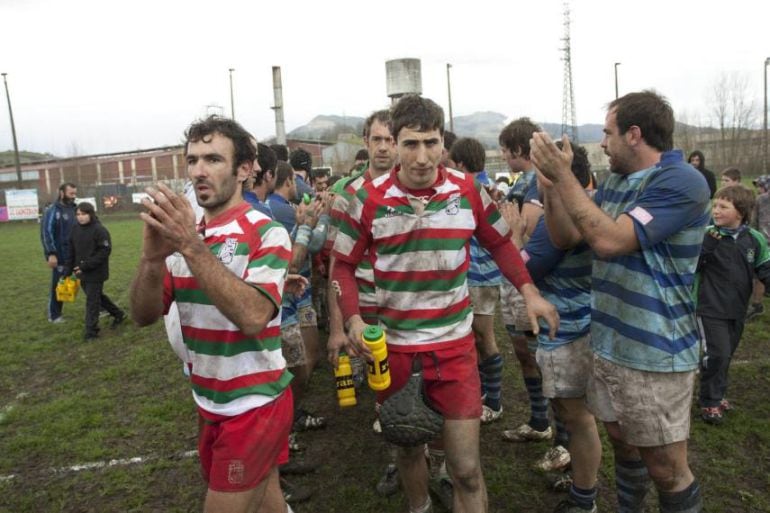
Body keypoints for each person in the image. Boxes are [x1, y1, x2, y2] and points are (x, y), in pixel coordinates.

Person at [331, 95, 558, 513]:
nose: (422, 156)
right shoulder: (367, 198)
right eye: (411, 144)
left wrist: (529, 291)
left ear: (443, 142)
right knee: (407, 452)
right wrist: (352, 320)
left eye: (431, 143)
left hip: (454, 350)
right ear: (394, 144)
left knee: (467, 470)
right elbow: (342, 266)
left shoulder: (467, 189)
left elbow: (501, 244)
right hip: (394, 351)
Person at [532, 90, 709, 513]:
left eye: (608, 133)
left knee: (666, 469)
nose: (602, 143)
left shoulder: (681, 181)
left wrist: (567, 175)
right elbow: (566, 236)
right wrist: (554, 188)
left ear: (634, 134)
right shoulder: (614, 182)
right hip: (609, 343)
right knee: (623, 443)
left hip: (655, 352)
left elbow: (609, 240)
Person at [129, 116, 294, 513]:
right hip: (209, 400)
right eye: (193, 160)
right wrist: (152, 260)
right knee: (268, 501)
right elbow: (143, 315)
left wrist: (191, 246)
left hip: (254, 406)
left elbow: (255, 315)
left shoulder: (266, 232)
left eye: (213, 159)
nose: (199, 170)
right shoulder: (185, 237)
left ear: (243, 170)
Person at [501, 143, 600, 513]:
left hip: (568, 330)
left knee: (577, 417)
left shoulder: (561, 219)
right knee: (576, 416)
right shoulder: (587, 205)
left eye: (540, 174)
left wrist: (513, 238)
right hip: (578, 323)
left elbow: (524, 269)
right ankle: (581, 482)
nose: (533, 185)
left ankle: (584, 496)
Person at [696, 184, 770, 424]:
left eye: (723, 206)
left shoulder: (754, 239)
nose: (715, 211)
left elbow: (764, 268)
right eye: (715, 205)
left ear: (740, 211)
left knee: (727, 355)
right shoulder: (707, 234)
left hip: (737, 308)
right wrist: (706, 246)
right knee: (716, 354)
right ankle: (708, 402)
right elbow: (690, 266)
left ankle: (718, 395)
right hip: (708, 307)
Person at [448, 137, 505, 424]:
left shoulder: (475, 189)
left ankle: (494, 401)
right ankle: (484, 393)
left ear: (459, 164)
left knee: (484, 337)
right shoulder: (483, 186)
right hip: (481, 274)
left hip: (481, 275)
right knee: (476, 338)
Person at [65, 202, 125, 340]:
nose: (80, 217)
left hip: (96, 272)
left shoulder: (100, 230)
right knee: (97, 297)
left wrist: (86, 265)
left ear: (91, 214)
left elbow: (104, 251)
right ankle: (118, 314)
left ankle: (91, 332)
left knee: (92, 302)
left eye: (84, 214)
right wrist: (67, 270)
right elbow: (71, 250)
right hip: (81, 272)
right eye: (78, 214)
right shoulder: (75, 229)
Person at [41, 182, 78, 323]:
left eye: (75, 193)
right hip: (61, 256)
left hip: (77, 254)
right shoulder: (52, 211)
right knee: (58, 284)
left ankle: (100, 307)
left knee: (89, 281)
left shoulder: (75, 209)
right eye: (71, 194)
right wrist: (51, 254)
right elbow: (46, 233)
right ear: (62, 193)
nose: (74, 197)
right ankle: (54, 315)